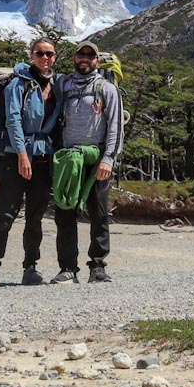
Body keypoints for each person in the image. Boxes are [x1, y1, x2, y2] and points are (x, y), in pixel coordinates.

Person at [0, 38, 60, 287]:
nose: (45, 58)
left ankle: (31, 267)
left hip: (44, 156)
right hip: (17, 156)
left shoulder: (57, 84)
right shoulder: (18, 83)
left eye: (49, 54)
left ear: (55, 57)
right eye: (40, 53)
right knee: (6, 212)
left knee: (35, 215)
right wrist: (22, 154)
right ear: (32, 55)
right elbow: (13, 119)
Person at [50, 41, 124, 284]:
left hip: (97, 160)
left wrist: (108, 159)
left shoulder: (107, 89)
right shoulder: (64, 85)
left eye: (90, 56)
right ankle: (68, 268)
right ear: (74, 58)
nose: (85, 59)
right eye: (81, 54)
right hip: (69, 158)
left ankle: (98, 266)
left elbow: (115, 126)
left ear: (97, 60)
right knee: (65, 212)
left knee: (99, 213)